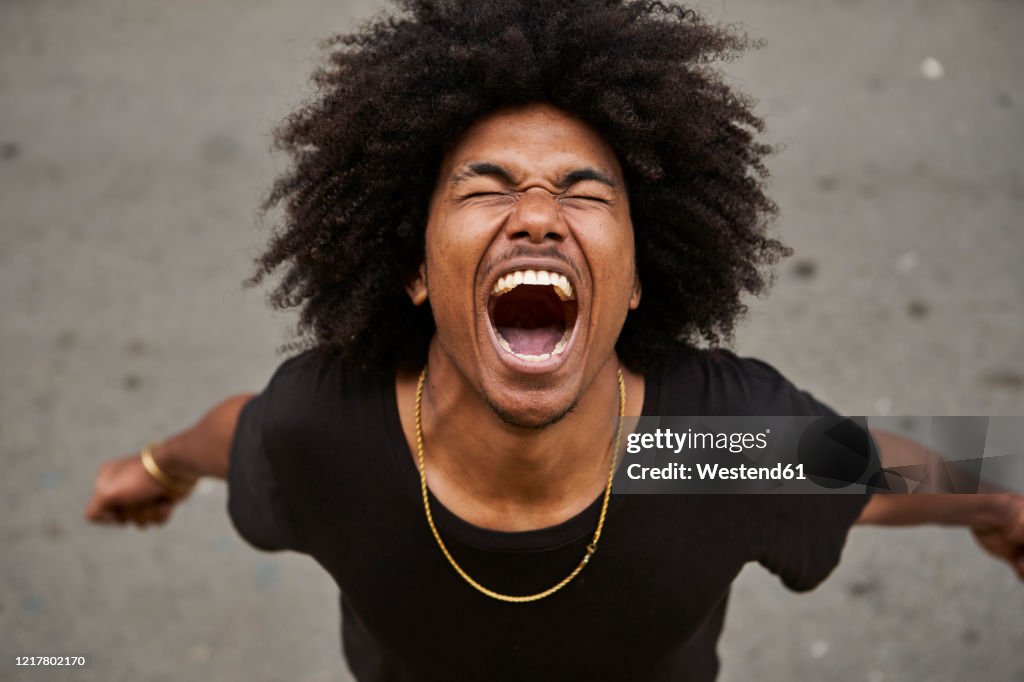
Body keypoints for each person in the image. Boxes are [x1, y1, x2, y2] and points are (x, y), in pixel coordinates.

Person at [84, 1, 1024, 680]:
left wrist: (1006, 505)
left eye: (584, 191)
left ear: (637, 281)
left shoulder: (702, 447)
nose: (537, 216)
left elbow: (878, 474)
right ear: (414, 270)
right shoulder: (333, 431)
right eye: (485, 188)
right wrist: (159, 467)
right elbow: (237, 431)